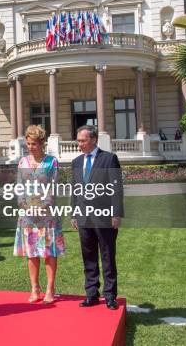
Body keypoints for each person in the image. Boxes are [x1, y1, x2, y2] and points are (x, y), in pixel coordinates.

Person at [71, 125, 124, 310]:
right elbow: (75, 190)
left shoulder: (109, 159)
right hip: (84, 217)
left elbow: (116, 189)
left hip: (105, 217)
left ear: (93, 140)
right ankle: (91, 294)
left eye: (83, 141)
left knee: (108, 256)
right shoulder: (76, 162)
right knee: (89, 256)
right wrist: (74, 213)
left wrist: (116, 213)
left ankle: (110, 296)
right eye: (78, 141)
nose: (79, 144)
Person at [13, 125, 65, 304]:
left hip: (47, 214)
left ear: (42, 143)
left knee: (49, 252)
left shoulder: (52, 162)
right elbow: (19, 187)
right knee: (32, 252)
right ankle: (35, 287)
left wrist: (43, 206)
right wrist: (24, 205)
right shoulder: (22, 162)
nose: (30, 147)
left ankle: (50, 288)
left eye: (34, 143)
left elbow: (53, 187)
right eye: (28, 143)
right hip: (27, 215)